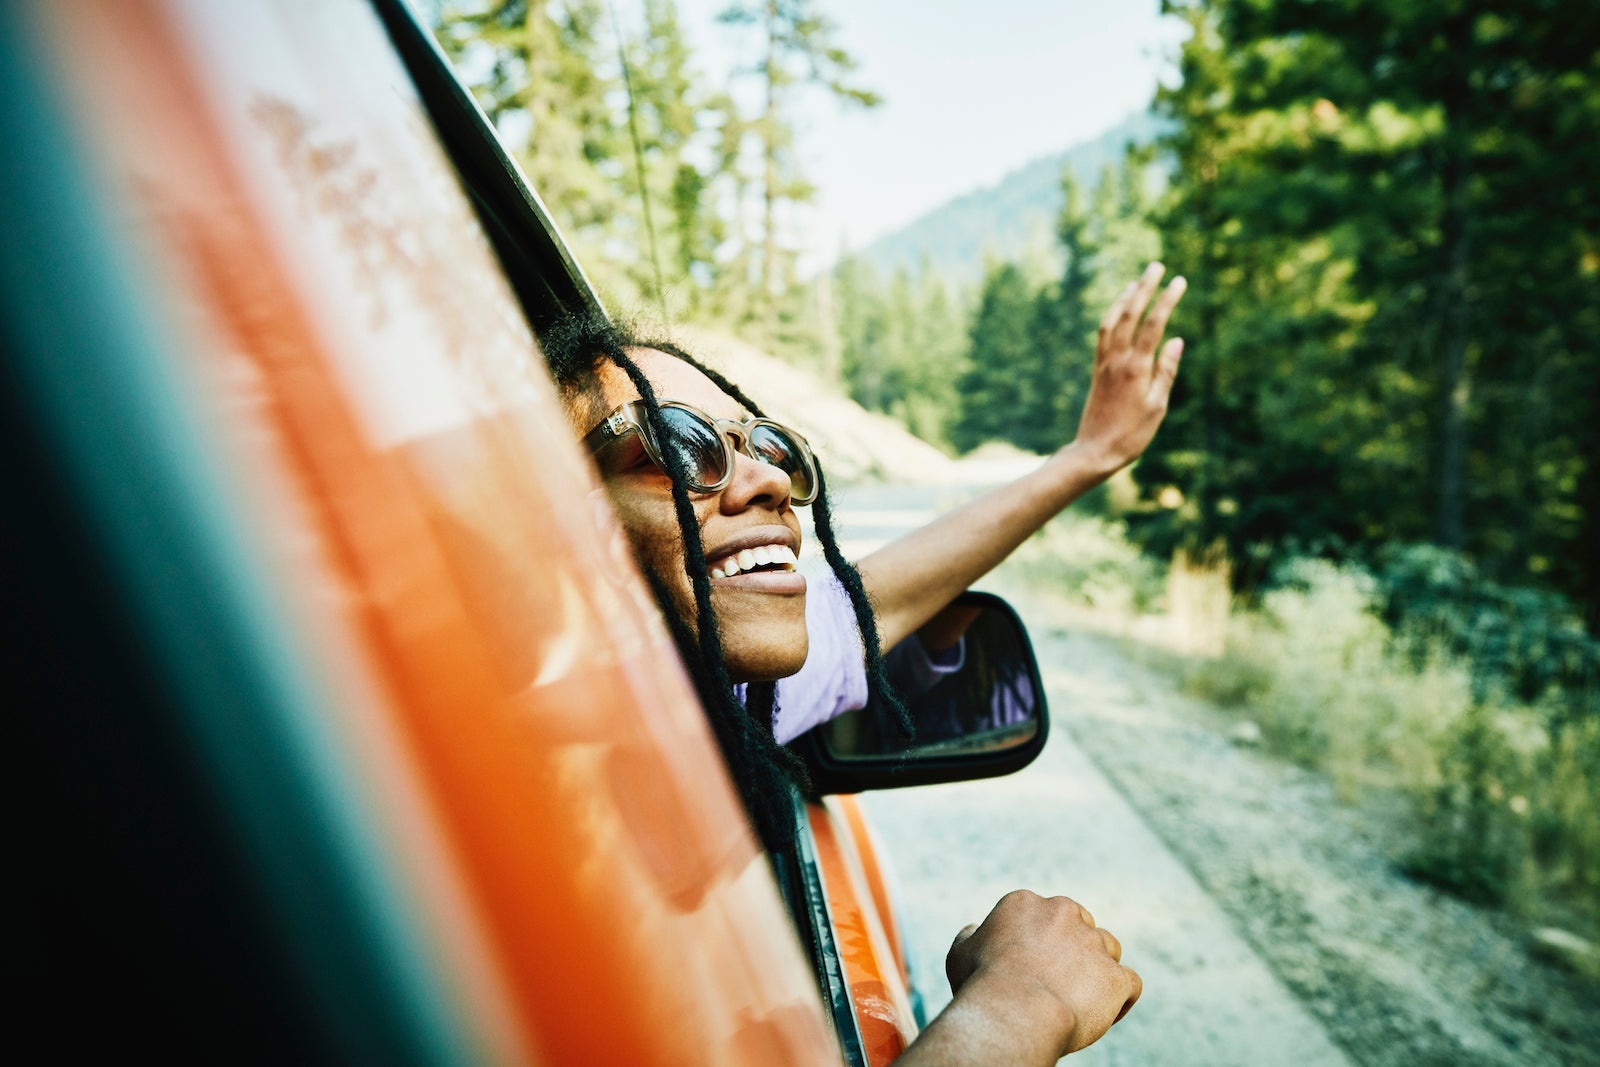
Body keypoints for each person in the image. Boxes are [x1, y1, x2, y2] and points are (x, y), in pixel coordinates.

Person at [544, 262, 1186, 1062]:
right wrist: (1022, 1007)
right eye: (676, 449)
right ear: (549, 524)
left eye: (768, 445)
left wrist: (1092, 455)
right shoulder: (529, 806)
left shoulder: (721, 690)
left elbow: (883, 595)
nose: (770, 480)